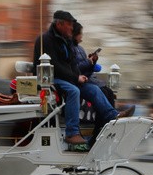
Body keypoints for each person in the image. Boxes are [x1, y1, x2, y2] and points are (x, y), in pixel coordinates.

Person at [33, 10, 119, 151]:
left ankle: (113, 116)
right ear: (59, 24)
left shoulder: (66, 41)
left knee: (93, 89)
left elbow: (72, 64)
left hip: (66, 78)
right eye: (69, 24)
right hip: (50, 79)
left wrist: (80, 76)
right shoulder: (45, 40)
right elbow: (55, 66)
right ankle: (72, 133)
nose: (72, 28)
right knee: (73, 91)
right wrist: (76, 77)